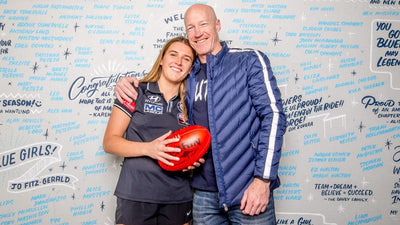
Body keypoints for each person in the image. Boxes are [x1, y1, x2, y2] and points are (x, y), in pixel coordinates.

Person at [114, 4, 286, 225]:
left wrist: (263, 180)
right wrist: (125, 83)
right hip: (202, 194)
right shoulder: (188, 73)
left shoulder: (248, 61)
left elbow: (274, 117)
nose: (197, 33)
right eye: (190, 27)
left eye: (203, 24)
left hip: (247, 190)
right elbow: (163, 88)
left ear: (217, 25)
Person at [103, 36, 196, 225]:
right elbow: (110, 142)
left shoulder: (194, 103)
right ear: (161, 59)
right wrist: (149, 149)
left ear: (191, 68)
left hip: (178, 196)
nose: (178, 61)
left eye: (186, 59)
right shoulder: (134, 91)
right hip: (136, 193)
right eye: (173, 54)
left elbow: (196, 144)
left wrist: (195, 159)